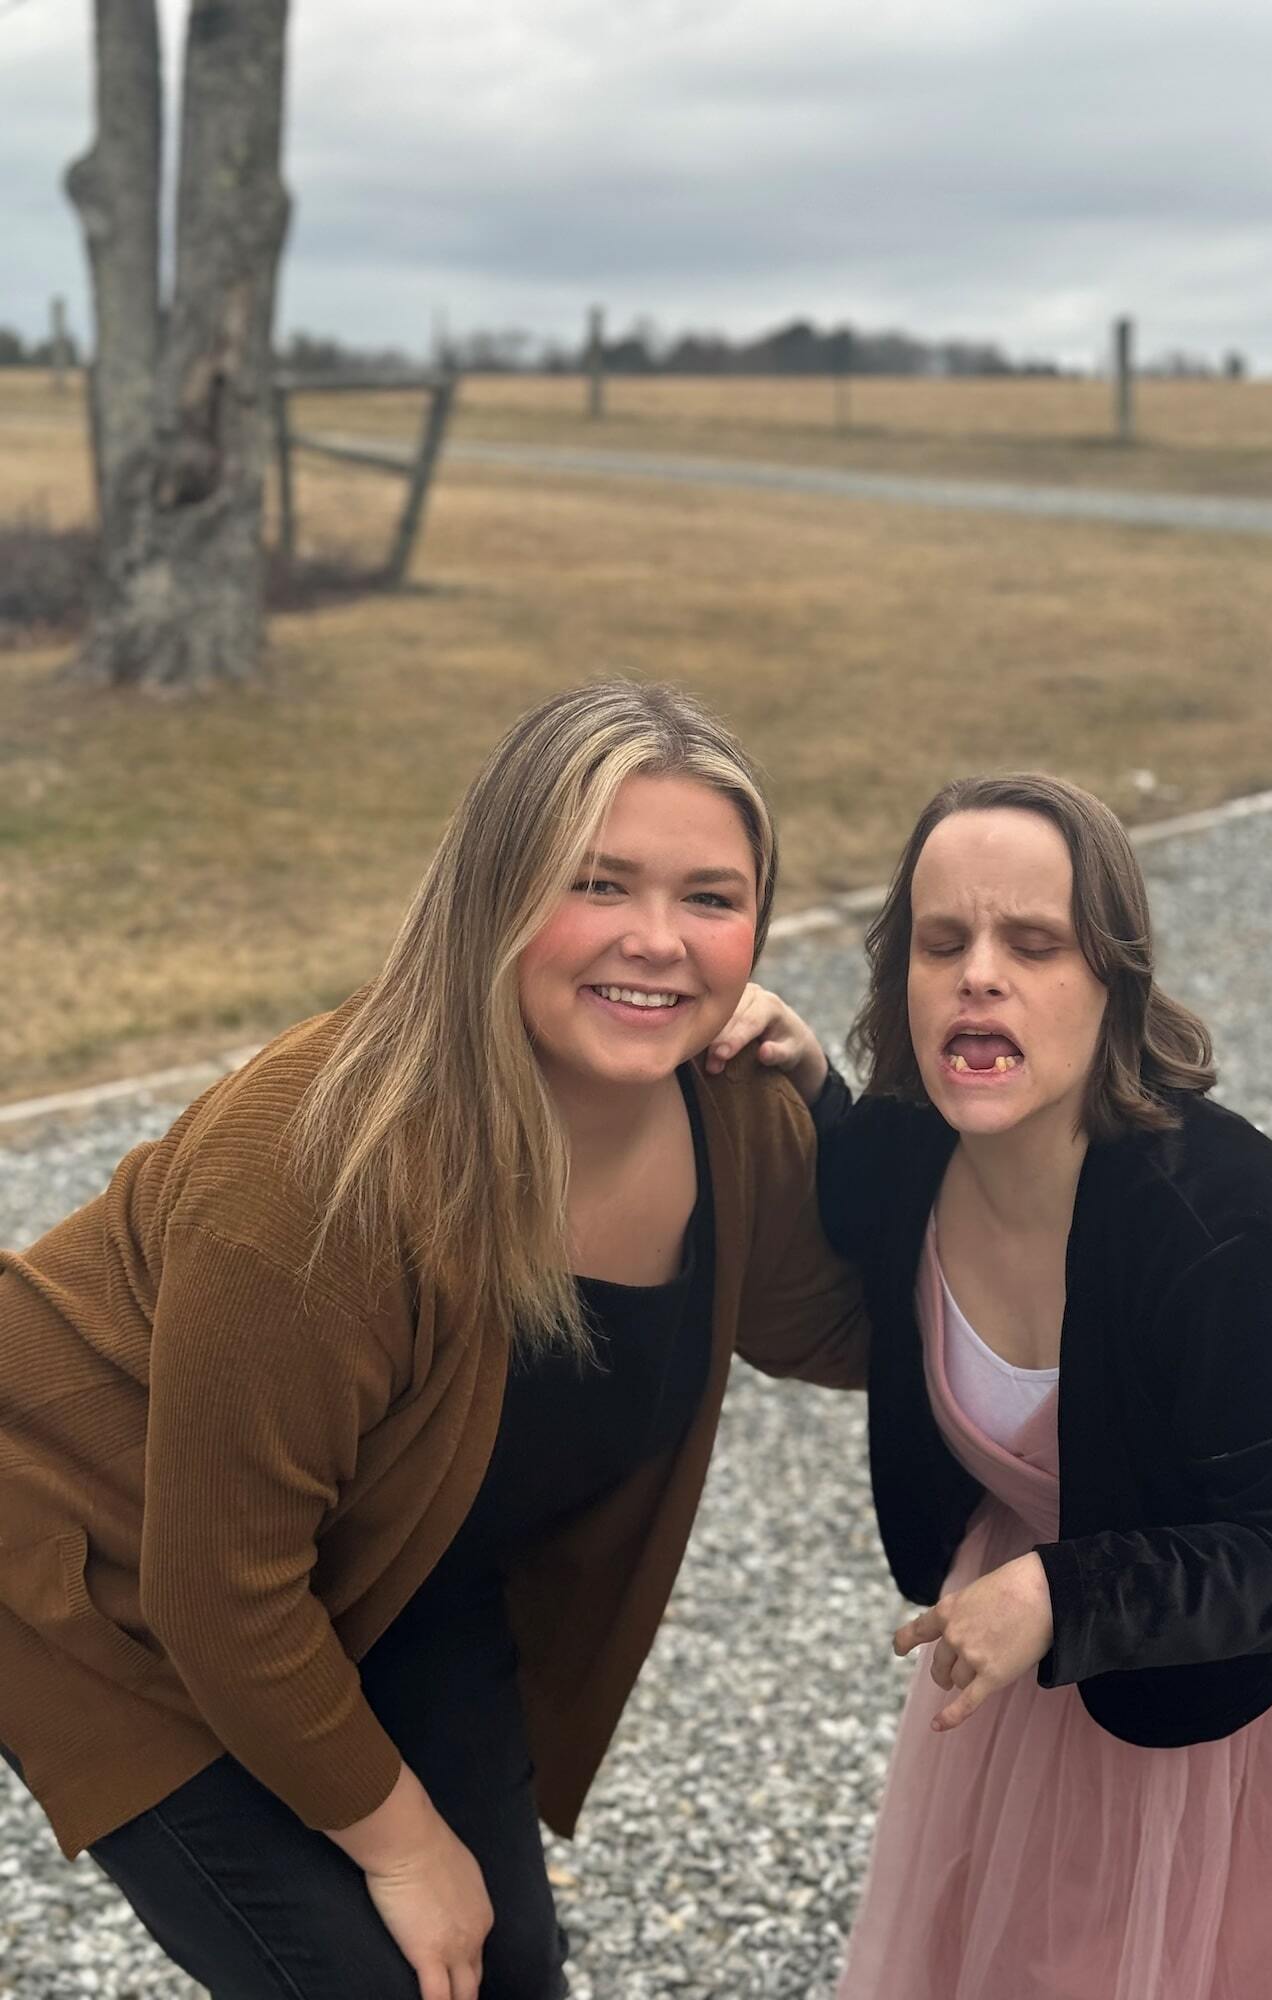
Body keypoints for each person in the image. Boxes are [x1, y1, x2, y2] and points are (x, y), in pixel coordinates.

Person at [0, 680, 866, 2000]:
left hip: (397, 1567)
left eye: (710, 897)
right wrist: (404, 1847)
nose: (659, 942)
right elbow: (217, 1597)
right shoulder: (315, 1171)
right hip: (109, 1576)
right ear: (495, 893)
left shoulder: (728, 1111)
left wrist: (831, 1098)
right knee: (376, 1977)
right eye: (599, 883)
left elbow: (850, 1328)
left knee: (509, 1972)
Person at [712, 771, 1272, 1999]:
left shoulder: (1235, 1231)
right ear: (899, 977)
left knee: (1270, 1945)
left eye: (1034, 942)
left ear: (1113, 980)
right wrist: (805, 1075)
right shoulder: (906, 1163)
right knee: (1060, 1945)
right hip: (1083, 1586)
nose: (980, 972)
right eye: (941, 941)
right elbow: (843, 1163)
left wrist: (1063, 1593)